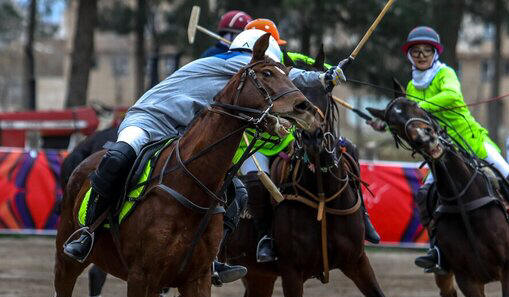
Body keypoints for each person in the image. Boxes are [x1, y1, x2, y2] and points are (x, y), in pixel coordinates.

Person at [63, 29, 346, 263]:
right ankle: (87, 231)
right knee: (119, 157)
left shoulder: (237, 84)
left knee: (237, 191)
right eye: (270, 68)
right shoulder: (233, 62)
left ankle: (212, 258)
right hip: (148, 120)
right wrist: (322, 77)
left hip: (179, 134)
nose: (272, 74)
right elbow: (290, 77)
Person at [371, 26, 509, 273]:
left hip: (471, 141)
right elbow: (410, 122)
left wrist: (417, 106)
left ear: (434, 53)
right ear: (410, 55)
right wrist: (386, 125)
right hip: (439, 151)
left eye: (426, 51)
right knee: (424, 195)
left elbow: (451, 96)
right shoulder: (411, 87)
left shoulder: (446, 73)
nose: (421, 55)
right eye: (416, 51)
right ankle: (437, 249)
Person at [240, 18, 380, 258]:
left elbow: (313, 69)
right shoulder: (242, 68)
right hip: (257, 141)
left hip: (290, 134)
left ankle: (363, 215)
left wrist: (332, 72)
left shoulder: (283, 60)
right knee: (256, 182)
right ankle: (266, 236)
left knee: (349, 149)